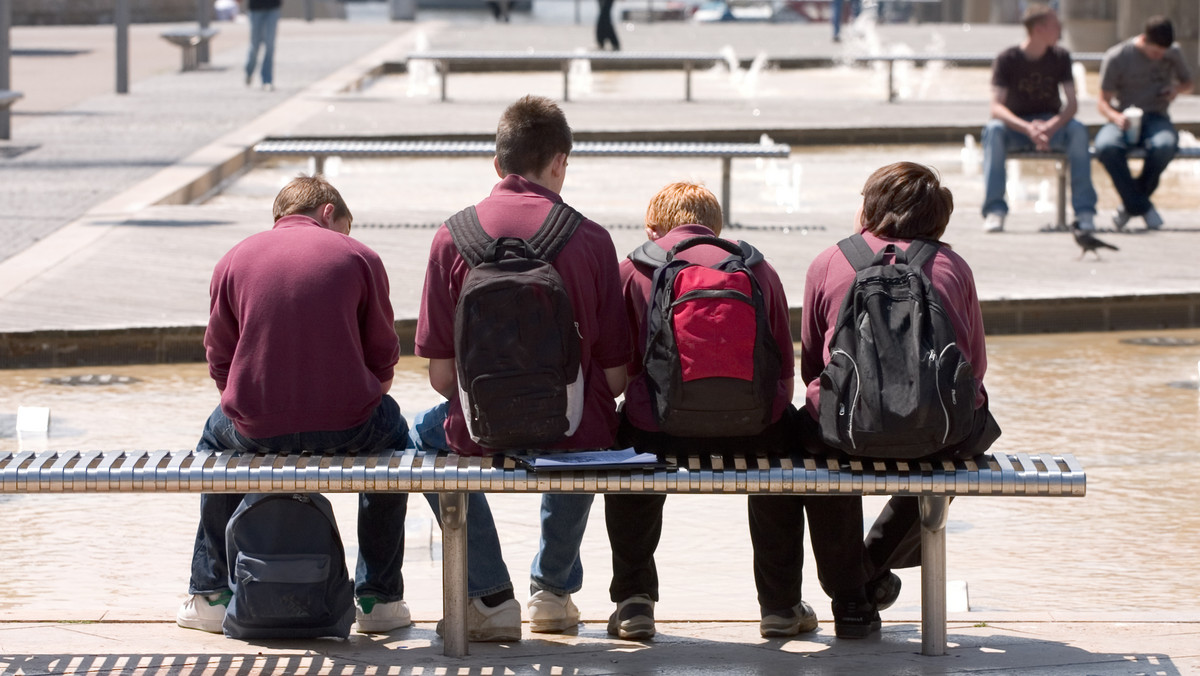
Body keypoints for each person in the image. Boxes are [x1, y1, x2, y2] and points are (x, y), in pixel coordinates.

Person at [604, 181, 873, 640]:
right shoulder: (755, 267)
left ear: (654, 228)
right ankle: (781, 605)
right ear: (717, 227)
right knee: (786, 460)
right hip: (752, 431)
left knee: (628, 444)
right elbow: (783, 371)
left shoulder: (634, 267)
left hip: (659, 430)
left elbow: (617, 364)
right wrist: (764, 417)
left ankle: (634, 602)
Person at [413, 95, 631, 637]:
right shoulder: (592, 239)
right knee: (589, 418)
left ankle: (488, 597)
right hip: (574, 434)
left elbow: (442, 379)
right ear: (560, 161)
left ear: (497, 164)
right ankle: (553, 594)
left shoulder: (451, 237)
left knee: (421, 436)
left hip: (479, 433)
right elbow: (615, 378)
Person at [176, 175, 413, 635]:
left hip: (257, 427)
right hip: (350, 425)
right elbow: (384, 356)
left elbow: (218, 359)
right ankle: (378, 598)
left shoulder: (234, 259)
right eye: (343, 227)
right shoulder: (360, 257)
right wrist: (359, 397)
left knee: (214, 440)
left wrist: (248, 404)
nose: (344, 236)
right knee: (396, 440)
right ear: (328, 213)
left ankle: (209, 593)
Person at [801, 161, 1001, 620]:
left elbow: (813, 366)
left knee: (810, 443)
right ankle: (872, 567)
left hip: (847, 434)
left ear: (871, 206)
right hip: (939, 436)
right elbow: (975, 367)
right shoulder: (951, 266)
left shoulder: (830, 261)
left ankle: (851, 592)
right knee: (971, 436)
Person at [980, 3, 1096, 233]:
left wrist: (1052, 126)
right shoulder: (1007, 59)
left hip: (1051, 126)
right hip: (1017, 128)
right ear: (1039, 28)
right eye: (1055, 25)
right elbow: (996, 108)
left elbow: (1072, 104)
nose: (1060, 29)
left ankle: (1084, 212)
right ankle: (995, 210)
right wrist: (1027, 128)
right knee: (993, 130)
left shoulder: (1061, 56)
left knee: (1078, 130)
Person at [1094, 15, 1194, 231]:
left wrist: (1175, 89)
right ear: (1144, 40)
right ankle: (1141, 206)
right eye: (1155, 52)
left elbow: (1189, 83)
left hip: (1157, 116)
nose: (1159, 57)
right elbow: (1102, 102)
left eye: (1163, 54)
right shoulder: (1118, 56)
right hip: (1123, 117)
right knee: (1106, 147)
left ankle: (1131, 205)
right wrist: (1115, 117)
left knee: (1165, 146)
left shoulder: (1172, 52)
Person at [245, 0, 281, 91]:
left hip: (273, 6)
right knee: (255, 46)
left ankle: (267, 80)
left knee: (270, 45)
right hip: (256, 8)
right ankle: (249, 71)